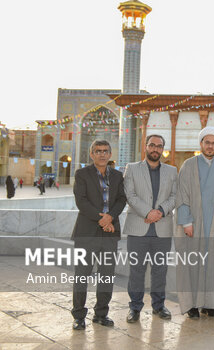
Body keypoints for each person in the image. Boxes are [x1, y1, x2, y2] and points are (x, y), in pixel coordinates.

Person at [175, 127, 214, 319]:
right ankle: (192, 304)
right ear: (201, 144)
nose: (210, 146)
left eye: (213, 143)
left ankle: (210, 303)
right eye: (207, 143)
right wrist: (186, 222)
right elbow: (181, 195)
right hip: (195, 224)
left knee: (213, 264)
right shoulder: (189, 165)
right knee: (192, 265)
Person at [71, 140, 127, 330]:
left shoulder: (118, 176)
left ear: (110, 154)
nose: (102, 154)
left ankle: (101, 314)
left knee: (106, 275)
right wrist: (102, 219)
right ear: (92, 154)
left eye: (105, 151)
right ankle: (78, 316)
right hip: (86, 233)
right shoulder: (82, 174)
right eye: (98, 151)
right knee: (82, 276)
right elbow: (81, 201)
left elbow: (121, 199)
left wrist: (110, 217)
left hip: (110, 235)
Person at [123, 135, 178, 323]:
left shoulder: (172, 171)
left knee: (160, 270)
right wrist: (148, 212)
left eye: (159, 146)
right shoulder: (132, 168)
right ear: (145, 146)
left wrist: (160, 211)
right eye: (152, 145)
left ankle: (159, 306)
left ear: (163, 149)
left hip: (162, 229)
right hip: (138, 228)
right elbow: (130, 195)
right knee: (137, 270)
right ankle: (135, 308)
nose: (155, 149)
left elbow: (174, 196)